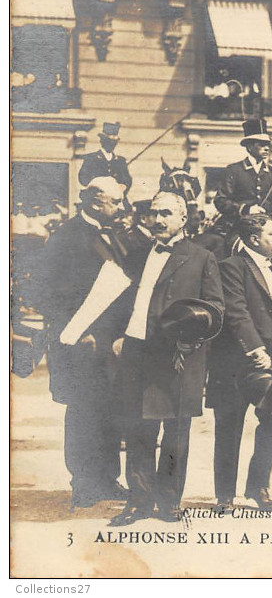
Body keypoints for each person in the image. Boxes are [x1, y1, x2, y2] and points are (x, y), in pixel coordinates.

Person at [111, 191, 224, 526]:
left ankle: (169, 501)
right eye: (153, 213)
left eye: (165, 214)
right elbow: (121, 299)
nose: (157, 220)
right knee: (137, 428)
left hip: (178, 355)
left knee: (175, 432)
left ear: (182, 219)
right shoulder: (136, 254)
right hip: (138, 350)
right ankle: (139, 501)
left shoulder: (201, 257)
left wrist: (191, 331)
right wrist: (118, 335)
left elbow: (217, 308)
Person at [35, 176, 130, 509]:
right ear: (95, 201)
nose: (122, 207)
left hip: (111, 344)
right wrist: (79, 331)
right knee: (83, 412)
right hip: (79, 341)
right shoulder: (66, 237)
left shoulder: (113, 235)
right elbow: (48, 291)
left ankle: (107, 478)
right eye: (117, 201)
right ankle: (83, 483)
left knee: (111, 410)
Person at [208, 214, 272, 512]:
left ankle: (258, 488)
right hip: (237, 360)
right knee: (229, 425)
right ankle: (225, 496)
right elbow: (236, 311)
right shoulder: (232, 267)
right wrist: (255, 349)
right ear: (254, 239)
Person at [78, 122, 132, 193]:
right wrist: (97, 184)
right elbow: (83, 177)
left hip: (116, 195)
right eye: (109, 141)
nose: (112, 144)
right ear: (103, 140)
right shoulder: (91, 158)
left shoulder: (120, 161)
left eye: (114, 141)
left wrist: (123, 186)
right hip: (97, 195)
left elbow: (127, 180)